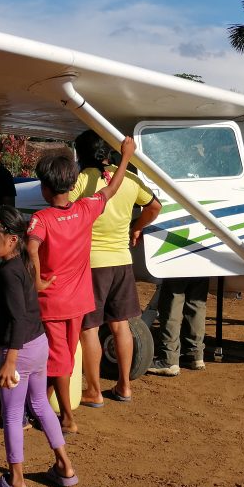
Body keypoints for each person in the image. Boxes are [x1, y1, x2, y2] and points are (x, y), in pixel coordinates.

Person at [27, 137, 136, 434]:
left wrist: (36, 280)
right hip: (79, 300)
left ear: (45, 188)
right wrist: (125, 156)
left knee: (58, 358)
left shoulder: (41, 218)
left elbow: (32, 247)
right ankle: (40, 408)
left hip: (52, 301)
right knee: (62, 355)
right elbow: (110, 189)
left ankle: (66, 418)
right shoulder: (86, 209)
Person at [0, 206, 77, 487]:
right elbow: (14, 313)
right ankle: (64, 467)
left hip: (19, 351)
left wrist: (9, 359)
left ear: (10, 239)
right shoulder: (19, 264)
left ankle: (16, 481)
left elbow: (17, 317)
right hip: (37, 344)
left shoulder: (9, 272)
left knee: (11, 415)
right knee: (40, 405)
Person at [70, 130, 162, 406]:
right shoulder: (130, 180)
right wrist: (137, 228)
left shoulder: (81, 180)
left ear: (80, 154)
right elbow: (155, 206)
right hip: (122, 261)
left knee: (89, 329)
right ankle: (124, 387)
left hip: (92, 264)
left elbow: (66, 210)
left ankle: (94, 390)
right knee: (121, 325)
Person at [146, 278, 209, 377]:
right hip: (203, 264)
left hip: (178, 264)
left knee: (172, 301)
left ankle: (168, 359)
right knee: (196, 302)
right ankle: (194, 353)